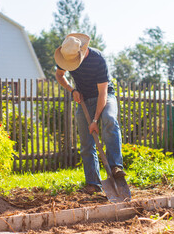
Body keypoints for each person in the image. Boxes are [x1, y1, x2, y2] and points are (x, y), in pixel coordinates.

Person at [54, 33, 126, 194]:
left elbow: (103, 94)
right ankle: (94, 183)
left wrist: (95, 120)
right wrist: (72, 90)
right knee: (87, 143)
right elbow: (59, 75)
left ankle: (115, 167)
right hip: (84, 99)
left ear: (81, 53)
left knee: (109, 118)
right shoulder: (67, 55)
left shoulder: (97, 59)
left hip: (105, 96)